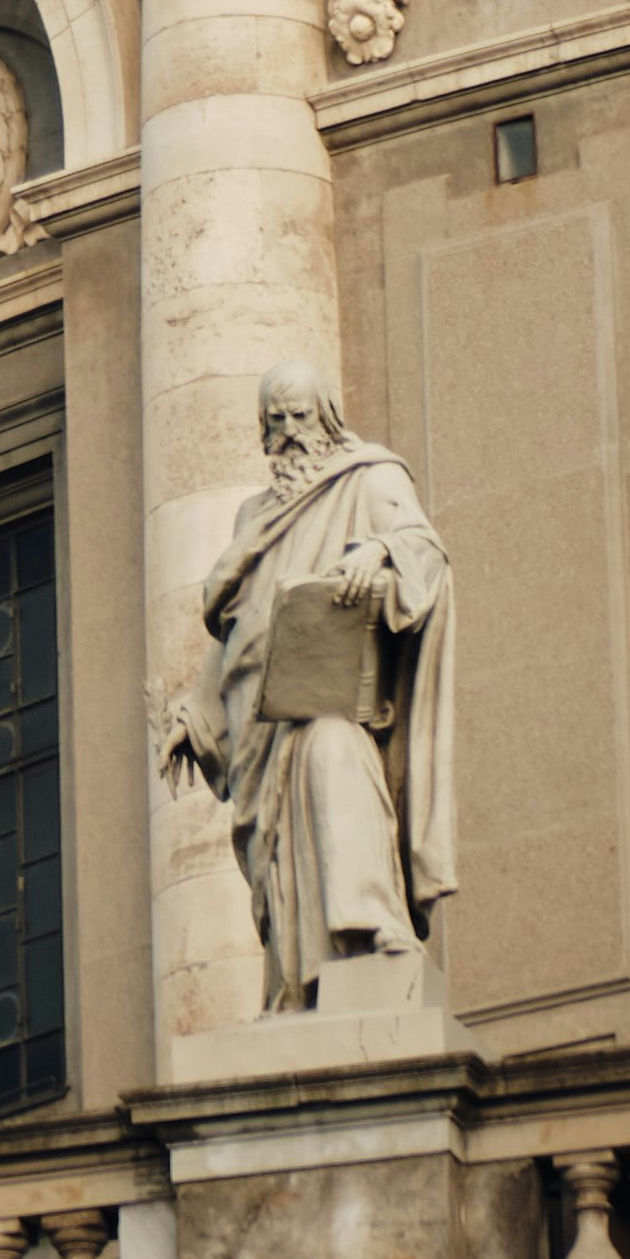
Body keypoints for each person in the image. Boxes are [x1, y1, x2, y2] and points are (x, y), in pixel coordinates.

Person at [163, 372, 457, 1010]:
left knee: (332, 755)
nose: (288, 434)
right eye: (275, 422)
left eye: (299, 417)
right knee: (279, 845)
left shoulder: (371, 479)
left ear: (326, 418)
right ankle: (300, 981)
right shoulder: (254, 516)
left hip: (335, 700)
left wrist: (376, 551)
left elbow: (425, 554)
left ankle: (377, 932)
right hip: (260, 723)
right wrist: (197, 714)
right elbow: (240, 626)